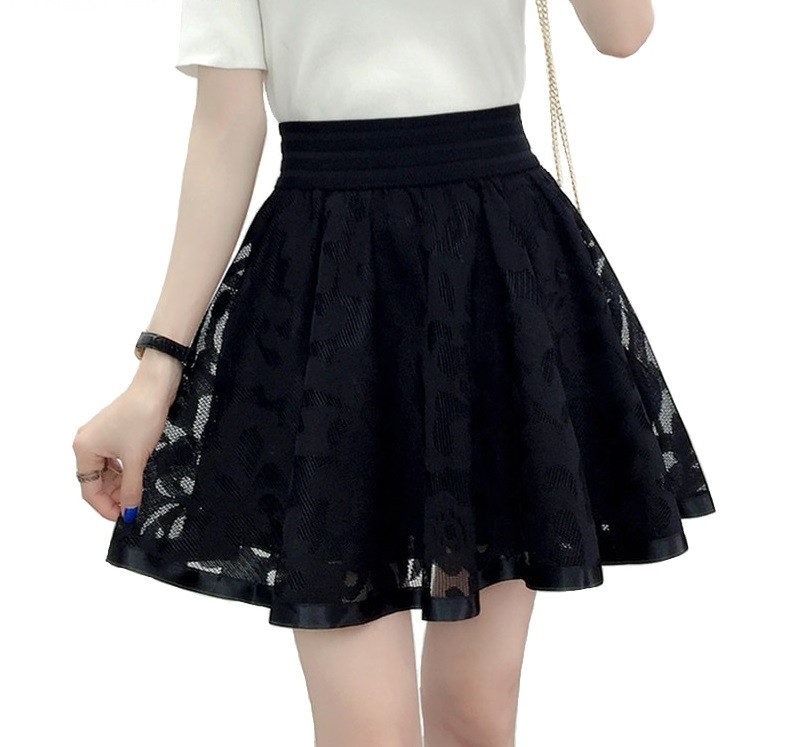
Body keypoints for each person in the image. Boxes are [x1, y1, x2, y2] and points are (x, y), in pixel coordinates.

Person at [73, 1, 716, 745]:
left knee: (477, 711)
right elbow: (226, 124)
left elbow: (623, 33)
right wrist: (156, 372)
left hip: (490, 262)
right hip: (332, 279)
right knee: (367, 731)